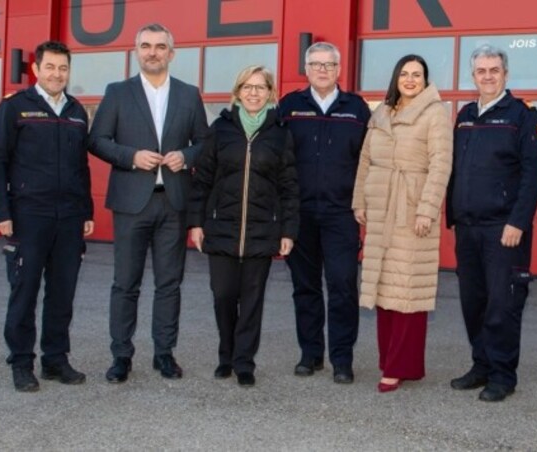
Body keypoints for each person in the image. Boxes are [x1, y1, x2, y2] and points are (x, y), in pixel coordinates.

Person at [89, 23, 209, 383]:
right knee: (125, 283)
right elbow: (97, 140)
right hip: (131, 203)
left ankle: (164, 354)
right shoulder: (118, 92)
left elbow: (205, 141)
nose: (152, 52)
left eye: (160, 46)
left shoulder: (189, 95)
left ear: (171, 53)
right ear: (136, 51)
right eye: (146, 46)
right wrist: (130, 157)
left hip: (173, 203)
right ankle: (121, 357)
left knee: (170, 284)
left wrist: (186, 156)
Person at [0, 41, 93, 392]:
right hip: (29, 214)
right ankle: (21, 362)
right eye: (50, 67)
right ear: (36, 69)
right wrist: (2, 212)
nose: (57, 74)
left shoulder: (77, 111)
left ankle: (55, 360)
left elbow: (82, 166)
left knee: (62, 293)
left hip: (69, 217)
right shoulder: (16, 107)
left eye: (63, 68)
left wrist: (86, 211)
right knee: (25, 290)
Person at [446, 45, 537, 402]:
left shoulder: (523, 116)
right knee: (473, 301)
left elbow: (535, 173)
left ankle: (503, 375)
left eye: (494, 70)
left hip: (505, 229)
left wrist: (518, 222)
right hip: (468, 227)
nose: (487, 76)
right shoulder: (465, 115)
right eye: (481, 71)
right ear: (472, 76)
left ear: (506, 74)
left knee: (503, 304)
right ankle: (481, 365)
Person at [189, 65, 299, 388]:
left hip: (263, 230)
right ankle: (226, 354)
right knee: (223, 295)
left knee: (252, 299)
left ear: (270, 93)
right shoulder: (220, 129)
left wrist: (288, 231)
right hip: (221, 227)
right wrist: (196, 222)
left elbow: (290, 186)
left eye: (261, 87)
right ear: (237, 92)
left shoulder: (280, 132)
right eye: (248, 87)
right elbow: (202, 180)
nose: (254, 93)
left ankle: (244, 362)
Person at [352, 54, 452, 393]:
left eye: (417, 74)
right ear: (396, 78)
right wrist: (360, 201)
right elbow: (365, 159)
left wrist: (427, 209)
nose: (410, 79)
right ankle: (395, 362)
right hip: (380, 208)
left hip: (411, 210)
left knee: (408, 288)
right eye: (405, 74)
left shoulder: (435, 113)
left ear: (426, 79)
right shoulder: (381, 111)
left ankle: (397, 366)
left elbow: (441, 164)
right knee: (384, 288)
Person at [278, 42, 371, 384]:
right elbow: (276, 161)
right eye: (315, 64)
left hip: (341, 214)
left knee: (343, 285)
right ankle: (311, 353)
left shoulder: (357, 109)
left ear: (339, 69)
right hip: (299, 213)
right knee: (305, 287)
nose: (322, 70)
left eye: (329, 65)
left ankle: (342, 359)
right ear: (306, 68)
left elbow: (369, 161)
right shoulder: (289, 107)